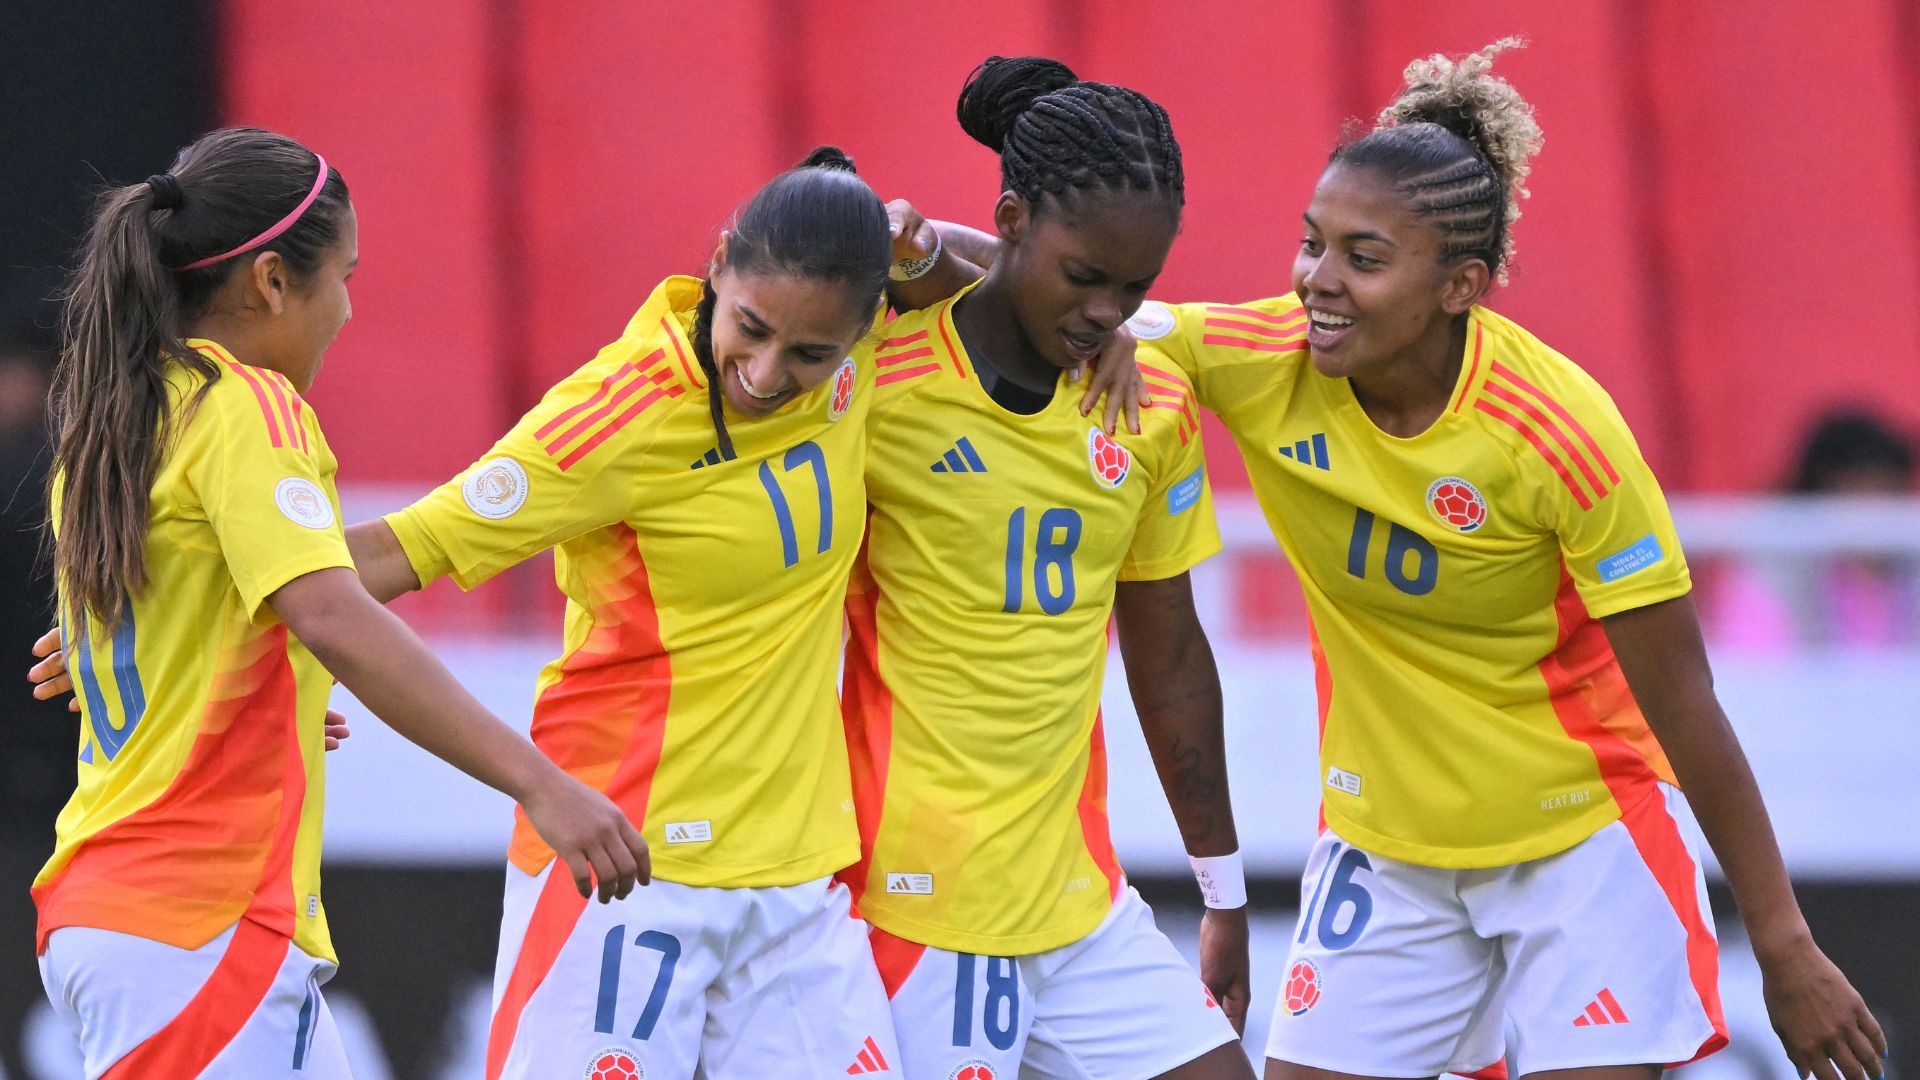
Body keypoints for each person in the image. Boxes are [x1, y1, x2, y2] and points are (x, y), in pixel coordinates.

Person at [1139, 41, 1886, 1080]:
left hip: (1580, 848)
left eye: (1363, 257)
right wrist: (908, 251)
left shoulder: (1558, 431)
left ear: (1463, 285)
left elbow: (1684, 699)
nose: (1317, 281)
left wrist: (1785, 944)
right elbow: (1055, 295)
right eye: (1312, 244)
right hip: (1386, 849)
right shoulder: (1259, 359)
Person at [31, 127, 647, 1080]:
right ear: (271, 281)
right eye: (343, 276)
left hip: (148, 913)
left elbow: (211, 624)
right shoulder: (246, 406)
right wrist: (541, 784)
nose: (350, 310)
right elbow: (330, 612)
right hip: (198, 921)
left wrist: (264, 704)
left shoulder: (119, 420)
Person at [346, 147, 908, 1080]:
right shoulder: (614, 417)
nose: (768, 373)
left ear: (866, 328)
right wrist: (172, 626)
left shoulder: (869, 353)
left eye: (811, 353)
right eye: (752, 328)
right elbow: (392, 554)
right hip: (625, 867)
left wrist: (1102, 326)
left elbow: (1014, 288)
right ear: (719, 264)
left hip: (797, 888)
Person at [846, 57, 1252, 1080]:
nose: (1110, 312)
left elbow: (1170, 657)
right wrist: (913, 251)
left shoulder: (1149, 403)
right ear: (1013, 219)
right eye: (1087, 278)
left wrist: (1223, 887)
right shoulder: (871, 384)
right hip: (915, 907)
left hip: (1082, 903)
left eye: (1136, 288)